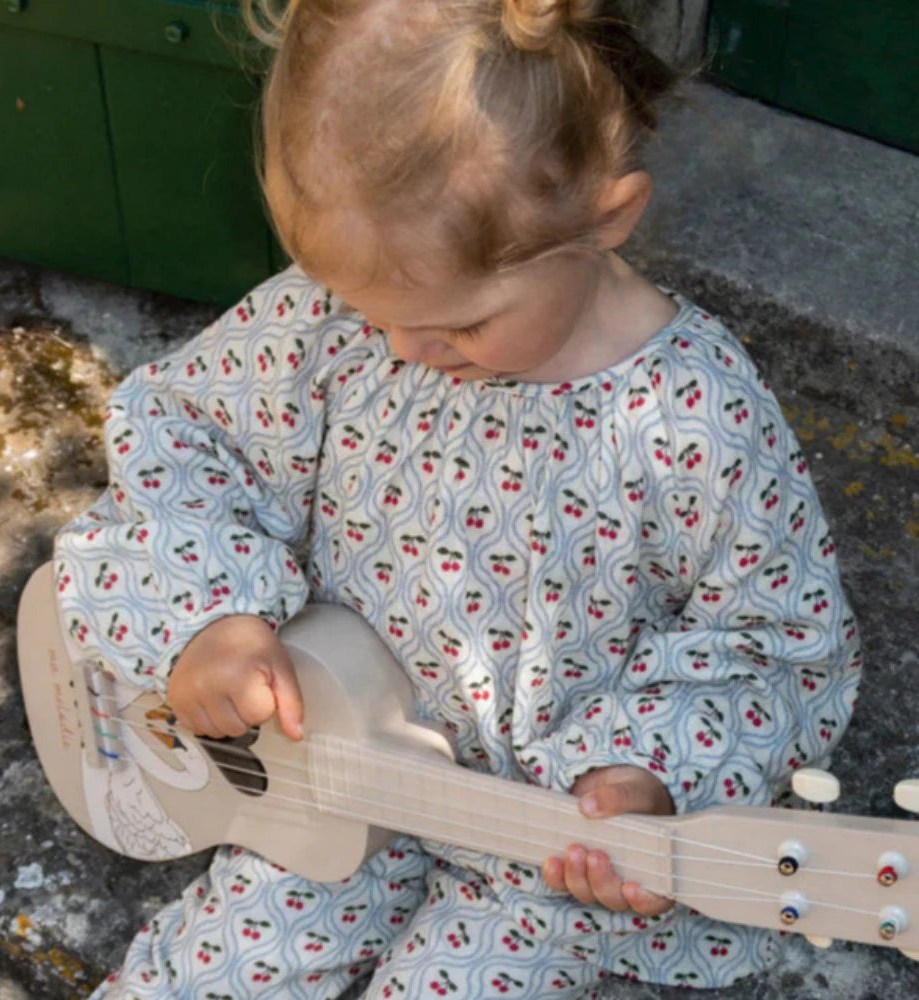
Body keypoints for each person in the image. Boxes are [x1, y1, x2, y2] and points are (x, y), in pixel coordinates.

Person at [54, 0, 860, 996]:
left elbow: (773, 638)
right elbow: (185, 429)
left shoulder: (691, 418)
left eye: (459, 324)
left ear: (607, 216)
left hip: (537, 854)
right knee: (217, 970)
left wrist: (647, 776)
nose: (401, 351)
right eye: (368, 311)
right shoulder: (334, 324)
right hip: (332, 778)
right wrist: (208, 615)